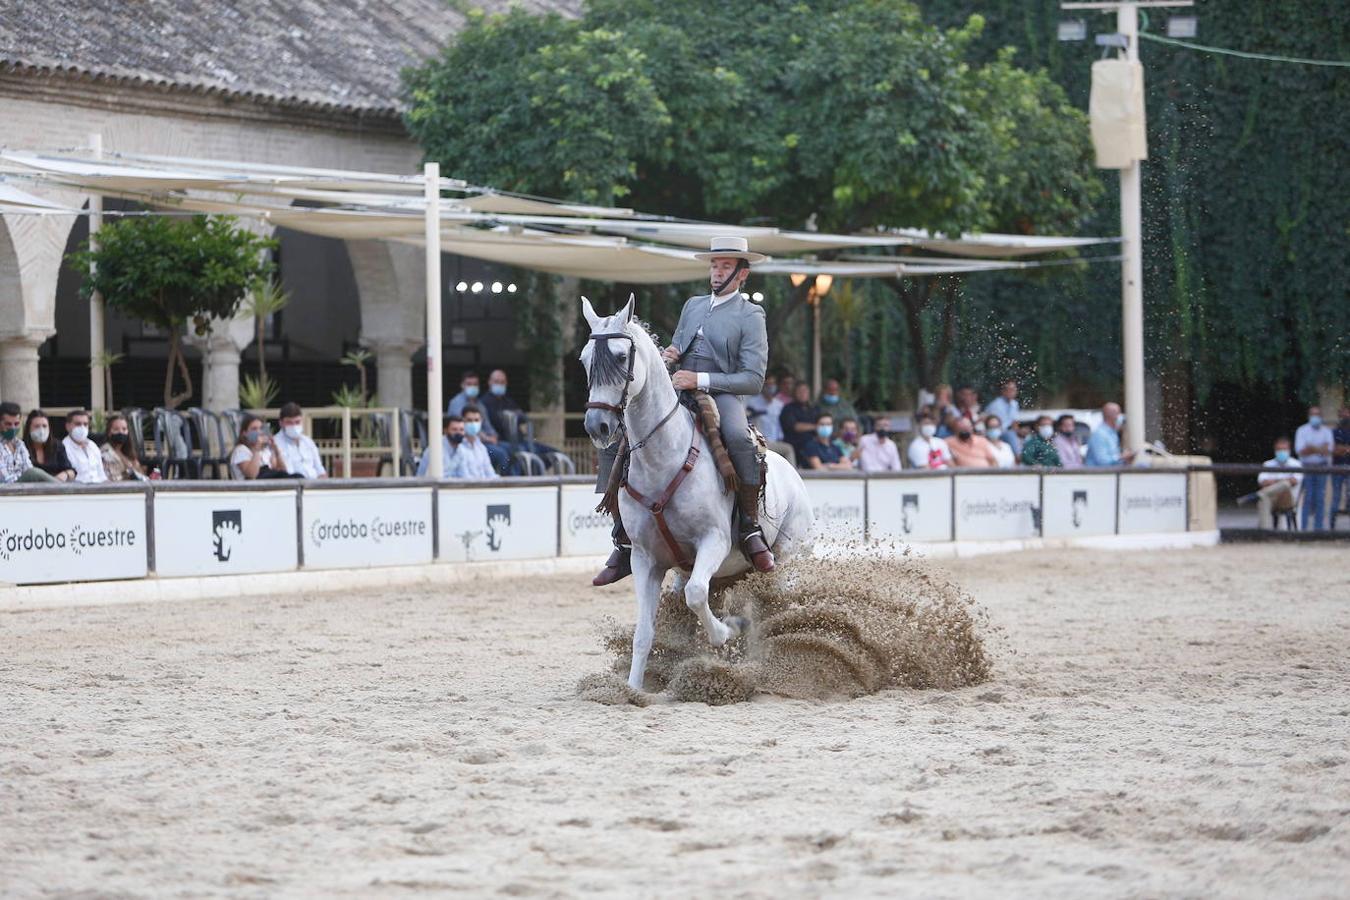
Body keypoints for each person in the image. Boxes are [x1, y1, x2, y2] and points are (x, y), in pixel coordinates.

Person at [595, 236, 775, 586]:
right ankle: (622, 537)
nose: (716, 272)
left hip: (720, 392)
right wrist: (668, 357)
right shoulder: (692, 305)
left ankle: (750, 528)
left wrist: (701, 378)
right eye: (714, 265)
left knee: (739, 438)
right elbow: (678, 344)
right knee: (623, 437)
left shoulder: (751, 315)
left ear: (742, 274)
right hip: (675, 384)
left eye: (725, 266)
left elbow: (753, 379)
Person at [482, 369, 557, 471]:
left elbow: (522, 417)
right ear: (490, 382)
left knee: (553, 453)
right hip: (503, 441)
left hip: (521, 440)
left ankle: (537, 476)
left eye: (502, 382)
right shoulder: (484, 403)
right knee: (523, 453)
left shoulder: (508, 401)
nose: (499, 384)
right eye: (496, 382)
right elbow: (496, 422)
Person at [447, 370, 511, 474]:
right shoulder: (457, 403)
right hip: (468, 442)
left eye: (475, 384)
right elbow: (459, 427)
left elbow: (487, 425)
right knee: (502, 454)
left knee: (512, 448)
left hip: (483, 443)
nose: (472, 387)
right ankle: (507, 482)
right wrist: (486, 438)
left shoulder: (480, 404)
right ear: (462, 385)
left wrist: (493, 436)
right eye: (469, 384)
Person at [1237, 437, 1302, 530]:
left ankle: (1255, 495)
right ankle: (1266, 533)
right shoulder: (1268, 464)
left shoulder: (1296, 464)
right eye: (1279, 449)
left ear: (1289, 450)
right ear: (1275, 450)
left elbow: (1294, 481)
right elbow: (1262, 482)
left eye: (1284, 449)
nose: (1281, 452)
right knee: (1263, 499)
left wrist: (1274, 481)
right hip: (1272, 498)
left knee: (1285, 485)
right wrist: (1283, 480)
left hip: (1288, 499)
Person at [1293, 405, 1334, 530]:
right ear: (1309, 416)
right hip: (1306, 467)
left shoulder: (1327, 431)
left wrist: (1311, 447)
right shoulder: (1302, 430)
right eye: (1313, 414)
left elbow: (1329, 450)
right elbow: (1300, 451)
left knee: (1320, 498)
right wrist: (1320, 448)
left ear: (1321, 417)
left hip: (1322, 467)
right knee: (1308, 497)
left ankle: (1318, 529)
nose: (1315, 417)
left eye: (1317, 415)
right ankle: (1304, 529)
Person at [0, 401, 54, 483]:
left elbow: (28, 468)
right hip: (6, 491)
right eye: (8, 424)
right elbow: (5, 479)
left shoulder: (20, 444)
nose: (13, 428)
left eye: (16, 424)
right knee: (34, 473)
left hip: (24, 490)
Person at [230, 414, 295, 480]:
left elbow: (282, 471)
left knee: (297, 476)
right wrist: (256, 449)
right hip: (254, 487)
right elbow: (251, 475)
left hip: (271, 483)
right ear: (244, 433)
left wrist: (276, 451)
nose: (258, 432)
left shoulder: (265, 451)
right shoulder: (241, 450)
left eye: (261, 428)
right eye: (254, 429)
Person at [273, 402, 327, 479]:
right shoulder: (275, 443)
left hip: (314, 486)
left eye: (297, 422)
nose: (294, 426)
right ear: (281, 423)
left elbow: (320, 470)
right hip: (291, 486)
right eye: (289, 422)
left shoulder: (308, 442)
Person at [23, 410, 74, 481]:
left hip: (55, 488)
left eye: (44, 426)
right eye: (37, 426)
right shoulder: (21, 447)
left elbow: (71, 471)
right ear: (28, 428)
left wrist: (65, 474)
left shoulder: (57, 446)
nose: (41, 430)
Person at [62, 408, 108, 484]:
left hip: (99, 490)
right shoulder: (63, 448)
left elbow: (102, 475)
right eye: (78, 424)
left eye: (85, 424)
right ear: (67, 426)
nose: (82, 427)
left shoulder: (93, 446)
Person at [101, 413, 148, 481]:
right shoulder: (105, 452)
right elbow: (112, 479)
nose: (121, 432)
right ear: (109, 432)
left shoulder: (128, 452)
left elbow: (141, 477)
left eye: (124, 429)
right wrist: (129, 471)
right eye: (116, 429)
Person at [779, 381, 819, 461]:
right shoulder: (788, 409)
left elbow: (822, 424)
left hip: (813, 445)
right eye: (800, 391)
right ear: (794, 393)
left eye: (805, 391)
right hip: (794, 446)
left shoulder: (814, 409)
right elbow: (795, 426)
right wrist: (815, 427)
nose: (803, 393)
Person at [1085, 402, 1133, 467]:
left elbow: (1114, 459)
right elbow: (1102, 461)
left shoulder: (1113, 434)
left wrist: (1125, 460)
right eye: (1118, 413)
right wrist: (1121, 457)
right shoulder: (1099, 434)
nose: (1120, 417)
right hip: (1099, 475)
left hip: (1112, 474)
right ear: (1111, 416)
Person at [984, 381, 1022, 456]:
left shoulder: (1014, 404)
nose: (1012, 392)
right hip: (997, 432)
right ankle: (1018, 457)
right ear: (1003, 391)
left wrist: (1019, 431)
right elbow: (993, 423)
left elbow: (1015, 422)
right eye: (1009, 389)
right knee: (1010, 435)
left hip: (1009, 431)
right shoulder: (996, 405)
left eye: (1014, 389)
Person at [746, 374, 784, 443]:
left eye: (772, 384)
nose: (770, 387)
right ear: (763, 385)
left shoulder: (779, 404)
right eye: (768, 384)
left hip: (777, 441)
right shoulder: (752, 403)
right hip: (760, 442)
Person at [1332, 406, 1350, 530]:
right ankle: (1331, 527)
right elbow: (1334, 450)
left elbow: (1339, 449)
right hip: (1337, 468)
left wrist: (1342, 449)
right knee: (1336, 498)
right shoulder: (1335, 432)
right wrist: (1346, 449)